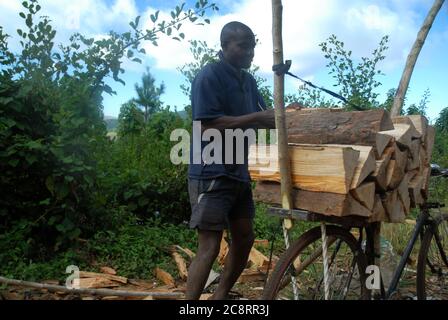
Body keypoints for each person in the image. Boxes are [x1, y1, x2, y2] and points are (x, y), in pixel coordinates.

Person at [186, 21, 276, 300]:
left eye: (252, 46)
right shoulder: (209, 76)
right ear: (224, 47)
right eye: (243, 46)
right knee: (210, 246)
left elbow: (266, 117)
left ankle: (219, 297)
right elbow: (208, 125)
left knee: (245, 237)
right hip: (211, 171)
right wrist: (257, 118)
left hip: (238, 171)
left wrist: (287, 115)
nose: (250, 52)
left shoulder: (247, 81)